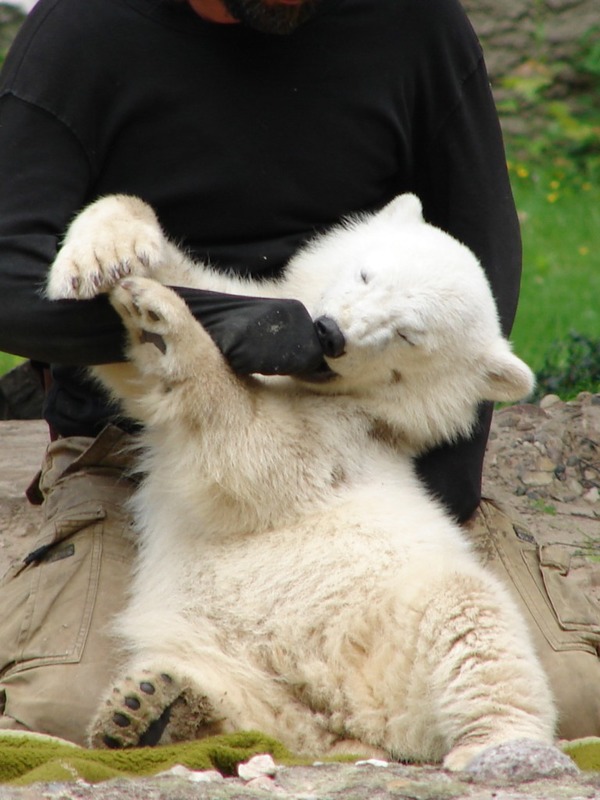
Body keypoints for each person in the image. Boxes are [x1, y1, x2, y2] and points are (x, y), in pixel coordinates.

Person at [0, 0, 597, 747]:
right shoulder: (84, 32)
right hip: (139, 450)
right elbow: (8, 285)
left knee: (573, 700)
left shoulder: (414, 24)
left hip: (369, 441)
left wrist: (440, 482)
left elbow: (480, 287)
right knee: (64, 714)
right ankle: (237, 703)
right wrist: (220, 327)